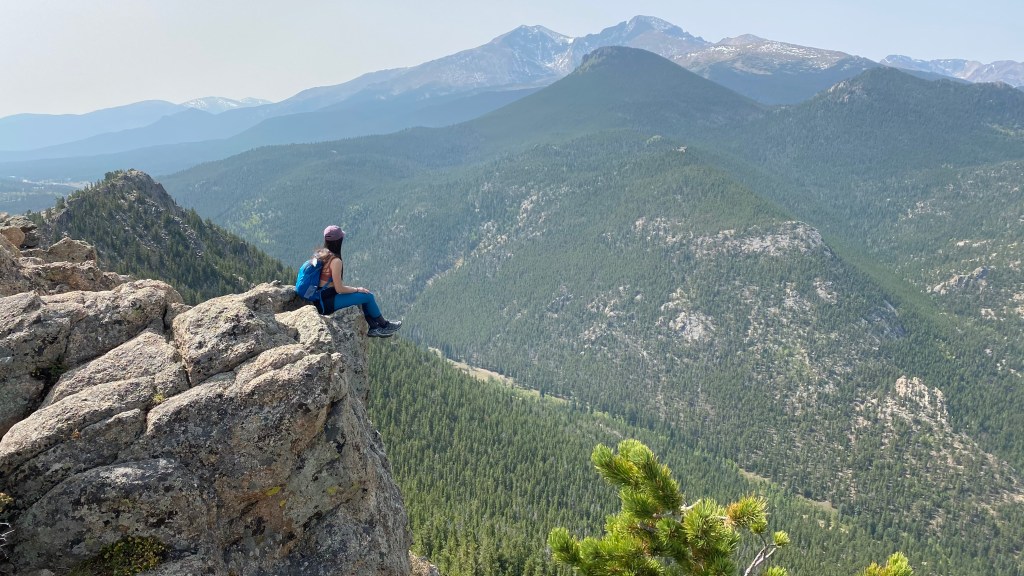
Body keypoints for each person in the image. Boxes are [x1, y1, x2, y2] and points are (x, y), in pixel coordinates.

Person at [316, 225, 401, 338]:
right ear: (339, 241)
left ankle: (374, 327)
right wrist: (357, 289)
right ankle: (384, 325)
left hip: (320, 299)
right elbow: (339, 288)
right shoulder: (335, 261)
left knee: (361, 298)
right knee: (368, 296)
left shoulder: (321, 254)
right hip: (327, 303)